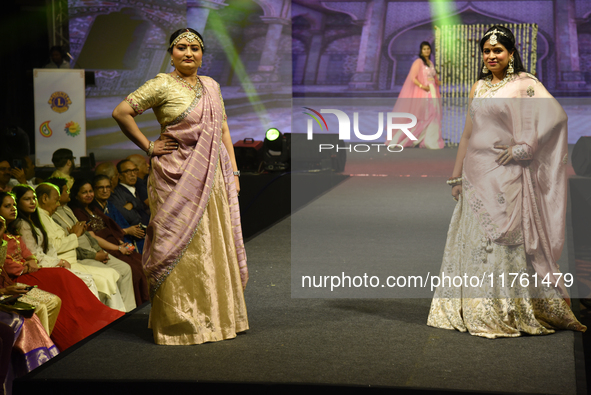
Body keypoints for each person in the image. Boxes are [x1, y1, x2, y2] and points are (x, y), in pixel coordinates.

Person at [427, 25, 586, 338]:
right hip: (475, 174)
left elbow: (556, 116)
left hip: (507, 175)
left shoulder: (525, 85)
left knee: (503, 240)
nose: (491, 56)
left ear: (512, 53)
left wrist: (523, 148)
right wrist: (456, 175)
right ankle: (472, 306)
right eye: (486, 51)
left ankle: (505, 309)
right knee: (473, 240)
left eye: (497, 50)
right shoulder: (478, 87)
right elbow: (467, 134)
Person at [112, 27, 248, 345]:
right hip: (173, 176)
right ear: (171, 53)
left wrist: (235, 172)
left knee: (212, 243)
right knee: (176, 247)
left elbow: (223, 129)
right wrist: (148, 146)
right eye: (182, 47)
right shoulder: (161, 84)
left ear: (202, 54)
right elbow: (122, 112)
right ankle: (179, 323)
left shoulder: (212, 86)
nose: (189, 53)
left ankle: (217, 316)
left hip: (212, 176)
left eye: (195, 48)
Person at [1, 191, 125, 350]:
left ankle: (88, 322)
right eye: (7, 206)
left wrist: (31, 261)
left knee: (66, 277)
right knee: (63, 279)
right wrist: (25, 266)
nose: (13, 209)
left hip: (34, 268)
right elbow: (6, 264)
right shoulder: (11, 231)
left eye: (14, 205)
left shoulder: (14, 233)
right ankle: (54, 344)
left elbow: (28, 253)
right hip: (16, 278)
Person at [45, 178, 136, 312]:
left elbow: (87, 234)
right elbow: (69, 243)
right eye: (65, 190)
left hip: (95, 250)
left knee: (127, 268)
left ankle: (130, 311)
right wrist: (95, 254)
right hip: (82, 256)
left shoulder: (67, 209)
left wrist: (99, 249)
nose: (67, 193)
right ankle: (115, 316)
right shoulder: (54, 215)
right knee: (112, 274)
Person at [69, 179, 149, 306]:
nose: (89, 194)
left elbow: (112, 227)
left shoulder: (94, 208)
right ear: (76, 195)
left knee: (142, 262)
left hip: (115, 243)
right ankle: (134, 308)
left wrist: (121, 242)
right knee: (133, 269)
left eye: (90, 191)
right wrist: (118, 248)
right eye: (85, 192)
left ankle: (146, 304)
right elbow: (93, 236)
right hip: (106, 247)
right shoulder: (77, 212)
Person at [12, 185, 100, 298]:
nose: (33, 202)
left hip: (50, 262)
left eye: (34, 198)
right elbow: (34, 256)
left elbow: (47, 248)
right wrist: (59, 262)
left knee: (87, 279)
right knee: (85, 281)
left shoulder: (33, 221)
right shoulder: (22, 224)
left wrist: (58, 262)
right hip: (39, 267)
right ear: (18, 202)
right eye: (27, 199)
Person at [387, 41, 444, 149]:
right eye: (424, 49)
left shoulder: (430, 63)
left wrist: (440, 82)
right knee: (423, 115)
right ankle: (404, 139)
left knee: (433, 114)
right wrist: (423, 87)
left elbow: (435, 78)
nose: (426, 51)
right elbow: (413, 78)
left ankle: (429, 139)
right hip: (423, 92)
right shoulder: (418, 62)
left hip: (432, 91)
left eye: (428, 49)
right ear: (421, 51)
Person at [91, 175, 145, 253]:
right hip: (110, 244)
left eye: (108, 187)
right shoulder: (93, 208)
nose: (105, 190)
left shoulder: (110, 205)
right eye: (101, 187)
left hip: (121, 239)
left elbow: (122, 223)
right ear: (94, 189)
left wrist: (132, 231)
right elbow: (103, 233)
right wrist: (126, 231)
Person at [108, 159, 150, 227]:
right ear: (120, 176)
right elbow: (121, 215)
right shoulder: (117, 194)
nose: (133, 174)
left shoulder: (139, 188)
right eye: (128, 171)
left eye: (134, 170)